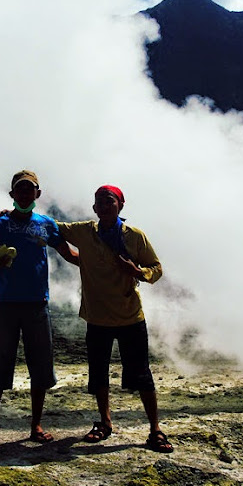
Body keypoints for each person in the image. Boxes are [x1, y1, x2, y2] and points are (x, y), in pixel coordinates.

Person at [0, 170, 78, 448]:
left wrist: (103, 267)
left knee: (40, 365)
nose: (25, 194)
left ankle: (36, 426)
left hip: (38, 303)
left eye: (30, 189)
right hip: (7, 304)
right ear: (12, 194)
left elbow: (68, 253)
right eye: (20, 190)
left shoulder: (46, 224)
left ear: (38, 194)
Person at [57, 185, 173, 453]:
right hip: (97, 318)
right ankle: (105, 422)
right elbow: (52, 226)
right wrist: (12, 212)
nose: (104, 206)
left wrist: (138, 271)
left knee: (142, 374)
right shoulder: (85, 231)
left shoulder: (135, 236)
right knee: (99, 374)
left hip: (130, 316)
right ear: (94, 208)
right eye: (99, 202)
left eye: (110, 201)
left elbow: (157, 269)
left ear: (121, 205)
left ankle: (155, 428)